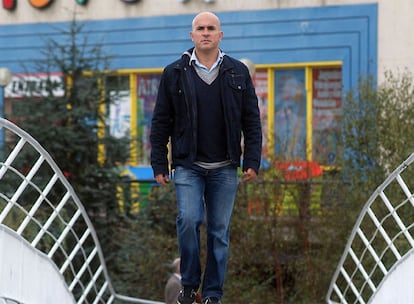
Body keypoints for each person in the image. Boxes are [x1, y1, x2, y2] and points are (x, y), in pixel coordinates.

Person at [150, 11, 262, 304]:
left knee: (219, 232)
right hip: (188, 166)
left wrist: (252, 159)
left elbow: (252, 120)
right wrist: (159, 163)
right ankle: (189, 285)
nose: (206, 32)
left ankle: (212, 293)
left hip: (225, 167)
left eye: (211, 28)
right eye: (200, 28)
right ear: (192, 36)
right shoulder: (173, 72)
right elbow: (161, 121)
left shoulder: (238, 72)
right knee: (188, 220)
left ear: (220, 35)